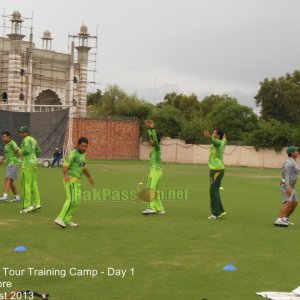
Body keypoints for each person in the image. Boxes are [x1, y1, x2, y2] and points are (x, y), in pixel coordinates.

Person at [54, 137, 95, 228]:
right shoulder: (73, 154)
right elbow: (65, 165)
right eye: (82, 146)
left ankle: (67, 220)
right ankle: (59, 218)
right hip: (71, 179)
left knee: (76, 201)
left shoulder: (83, 155)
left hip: (78, 181)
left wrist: (89, 177)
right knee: (71, 199)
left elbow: (83, 168)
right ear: (78, 145)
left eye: (85, 146)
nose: (84, 148)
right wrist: (66, 175)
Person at [142, 120, 165, 215]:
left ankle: (151, 208)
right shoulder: (155, 150)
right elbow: (152, 138)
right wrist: (148, 129)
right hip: (157, 172)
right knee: (154, 190)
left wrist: (152, 128)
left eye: (151, 140)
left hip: (155, 172)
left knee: (150, 189)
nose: (150, 140)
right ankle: (160, 209)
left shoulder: (157, 148)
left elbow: (154, 139)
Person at [17, 126, 42, 213]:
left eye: (22, 132)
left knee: (26, 185)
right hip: (34, 163)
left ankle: (26, 206)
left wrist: (19, 151)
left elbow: (26, 150)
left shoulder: (26, 140)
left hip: (27, 165)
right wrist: (32, 155)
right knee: (34, 184)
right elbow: (39, 151)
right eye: (20, 132)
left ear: (27, 132)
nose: (21, 134)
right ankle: (37, 203)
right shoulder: (34, 140)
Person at [203, 128, 227, 220]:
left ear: (218, 136)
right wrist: (224, 136)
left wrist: (209, 136)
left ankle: (215, 213)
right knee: (215, 190)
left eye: (214, 133)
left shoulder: (218, 143)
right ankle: (220, 210)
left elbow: (215, 141)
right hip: (217, 169)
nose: (212, 134)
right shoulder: (223, 141)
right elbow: (224, 139)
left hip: (216, 170)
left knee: (213, 191)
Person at [273, 146, 299, 227]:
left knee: (294, 203)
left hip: (292, 186)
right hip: (287, 186)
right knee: (288, 202)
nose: (297, 152)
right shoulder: (288, 163)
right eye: (296, 151)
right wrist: (288, 187)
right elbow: (286, 175)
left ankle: (285, 218)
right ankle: (278, 220)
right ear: (292, 153)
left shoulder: (294, 161)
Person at [0, 131, 21, 202]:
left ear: (9, 137)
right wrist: (2, 159)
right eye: (2, 137)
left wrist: (17, 158)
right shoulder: (6, 145)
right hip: (9, 164)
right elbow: (7, 154)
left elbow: (18, 150)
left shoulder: (12, 143)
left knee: (7, 178)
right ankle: (17, 197)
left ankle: (5, 196)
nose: (3, 138)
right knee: (10, 181)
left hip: (13, 163)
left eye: (4, 137)